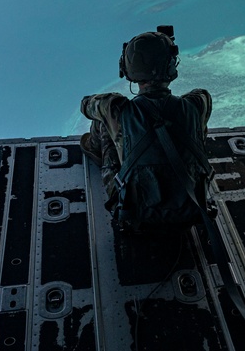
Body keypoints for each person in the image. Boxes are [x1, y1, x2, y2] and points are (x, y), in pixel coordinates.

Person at [80, 26, 212, 229]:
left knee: (102, 122)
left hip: (135, 214)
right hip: (193, 207)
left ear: (128, 70)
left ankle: (93, 149)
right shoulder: (198, 104)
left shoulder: (115, 108)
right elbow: (197, 99)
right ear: (171, 67)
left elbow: (85, 105)